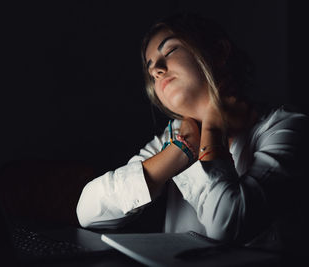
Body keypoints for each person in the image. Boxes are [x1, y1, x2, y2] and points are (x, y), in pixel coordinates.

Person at [76, 13, 308, 259]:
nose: (155, 69)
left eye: (171, 50)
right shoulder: (174, 136)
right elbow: (88, 212)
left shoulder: (289, 129)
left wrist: (213, 125)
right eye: (150, 65)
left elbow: (227, 225)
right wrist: (181, 150)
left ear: (218, 52)